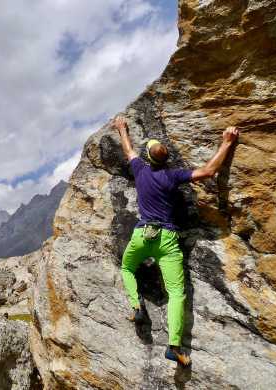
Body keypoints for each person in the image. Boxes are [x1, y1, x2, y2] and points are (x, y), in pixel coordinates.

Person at [112, 115, 239, 366]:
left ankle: (136, 307)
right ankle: (173, 346)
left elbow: (128, 149)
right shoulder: (172, 176)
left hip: (141, 235)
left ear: (147, 158)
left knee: (127, 267)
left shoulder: (140, 170)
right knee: (177, 293)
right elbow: (208, 171)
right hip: (167, 239)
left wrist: (121, 128)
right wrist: (226, 143)